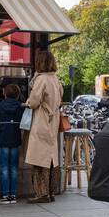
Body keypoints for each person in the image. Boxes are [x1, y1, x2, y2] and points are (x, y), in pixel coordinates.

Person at [24, 50, 64, 204]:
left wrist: (28, 102)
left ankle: (41, 193)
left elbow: (34, 102)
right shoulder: (55, 79)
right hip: (53, 120)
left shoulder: (41, 80)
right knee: (51, 157)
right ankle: (51, 192)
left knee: (39, 158)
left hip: (42, 119)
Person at [0, 83, 25, 204]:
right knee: (14, 168)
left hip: (2, 141)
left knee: (4, 168)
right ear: (17, 95)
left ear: (4, 94)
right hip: (15, 140)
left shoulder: (0, 107)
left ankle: (5, 195)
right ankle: (13, 195)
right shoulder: (20, 107)